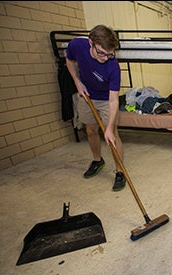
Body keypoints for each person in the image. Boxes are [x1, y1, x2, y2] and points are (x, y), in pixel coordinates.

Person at [65, 24, 126, 191]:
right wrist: (77, 82)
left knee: (112, 135)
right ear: (90, 42)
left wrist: (108, 129)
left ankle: (120, 171)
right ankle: (98, 161)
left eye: (110, 54)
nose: (106, 57)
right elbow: (69, 61)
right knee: (90, 130)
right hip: (86, 94)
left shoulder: (113, 66)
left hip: (106, 98)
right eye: (101, 53)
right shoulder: (77, 44)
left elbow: (114, 100)